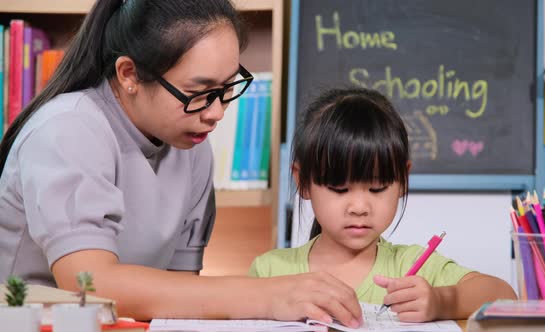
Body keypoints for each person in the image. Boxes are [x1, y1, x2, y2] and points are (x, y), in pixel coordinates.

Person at [0, 0, 363, 326]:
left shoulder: (193, 150)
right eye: (199, 94)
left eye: (225, 90)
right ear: (129, 75)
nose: (217, 112)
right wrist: (269, 295)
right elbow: (91, 284)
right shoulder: (69, 128)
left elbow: (183, 294)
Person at [249, 87, 517, 323]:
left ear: (402, 179)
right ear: (303, 182)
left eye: (377, 188)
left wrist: (440, 301)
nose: (359, 206)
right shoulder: (270, 271)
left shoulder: (414, 266)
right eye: (339, 189)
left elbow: (504, 296)